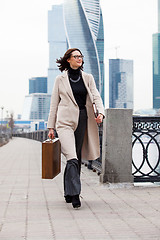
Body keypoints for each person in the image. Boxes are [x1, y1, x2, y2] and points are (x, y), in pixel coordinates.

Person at [47, 48, 104, 209]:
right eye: (76, 56)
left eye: (81, 57)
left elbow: (96, 96)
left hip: (83, 120)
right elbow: (54, 104)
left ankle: (68, 191)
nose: (79, 59)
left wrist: (101, 113)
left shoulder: (87, 78)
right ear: (68, 60)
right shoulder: (60, 79)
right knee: (71, 157)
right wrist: (50, 126)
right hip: (64, 122)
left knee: (76, 157)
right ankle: (76, 194)